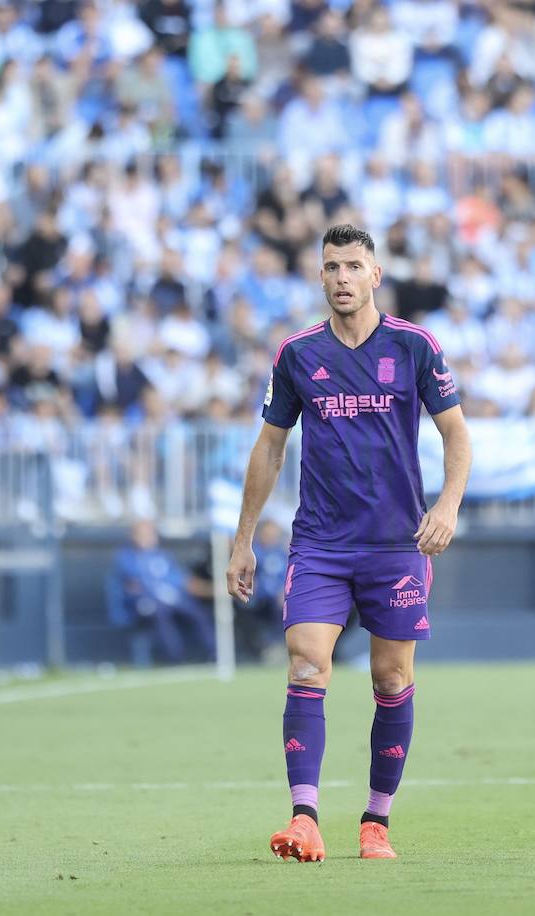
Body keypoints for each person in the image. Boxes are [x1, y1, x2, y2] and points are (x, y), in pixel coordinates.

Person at [226, 224, 471, 863]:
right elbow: (271, 447)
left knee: (391, 679)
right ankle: (304, 817)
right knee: (307, 662)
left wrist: (446, 504)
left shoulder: (414, 347)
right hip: (321, 545)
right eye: (331, 266)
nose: (341, 277)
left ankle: (375, 822)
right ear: (320, 275)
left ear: (375, 275)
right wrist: (243, 539)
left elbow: (456, 436)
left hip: (396, 544)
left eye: (353, 266)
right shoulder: (298, 354)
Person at [106, 519, 216, 664]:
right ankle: (176, 658)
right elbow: (133, 586)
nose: (148, 538)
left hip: (172, 600)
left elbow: (181, 580)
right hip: (142, 604)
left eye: (150, 534)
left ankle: (214, 653)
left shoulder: (163, 556)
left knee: (197, 611)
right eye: (143, 534)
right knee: (160, 612)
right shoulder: (125, 558)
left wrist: (210, 589)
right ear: (134, 536)